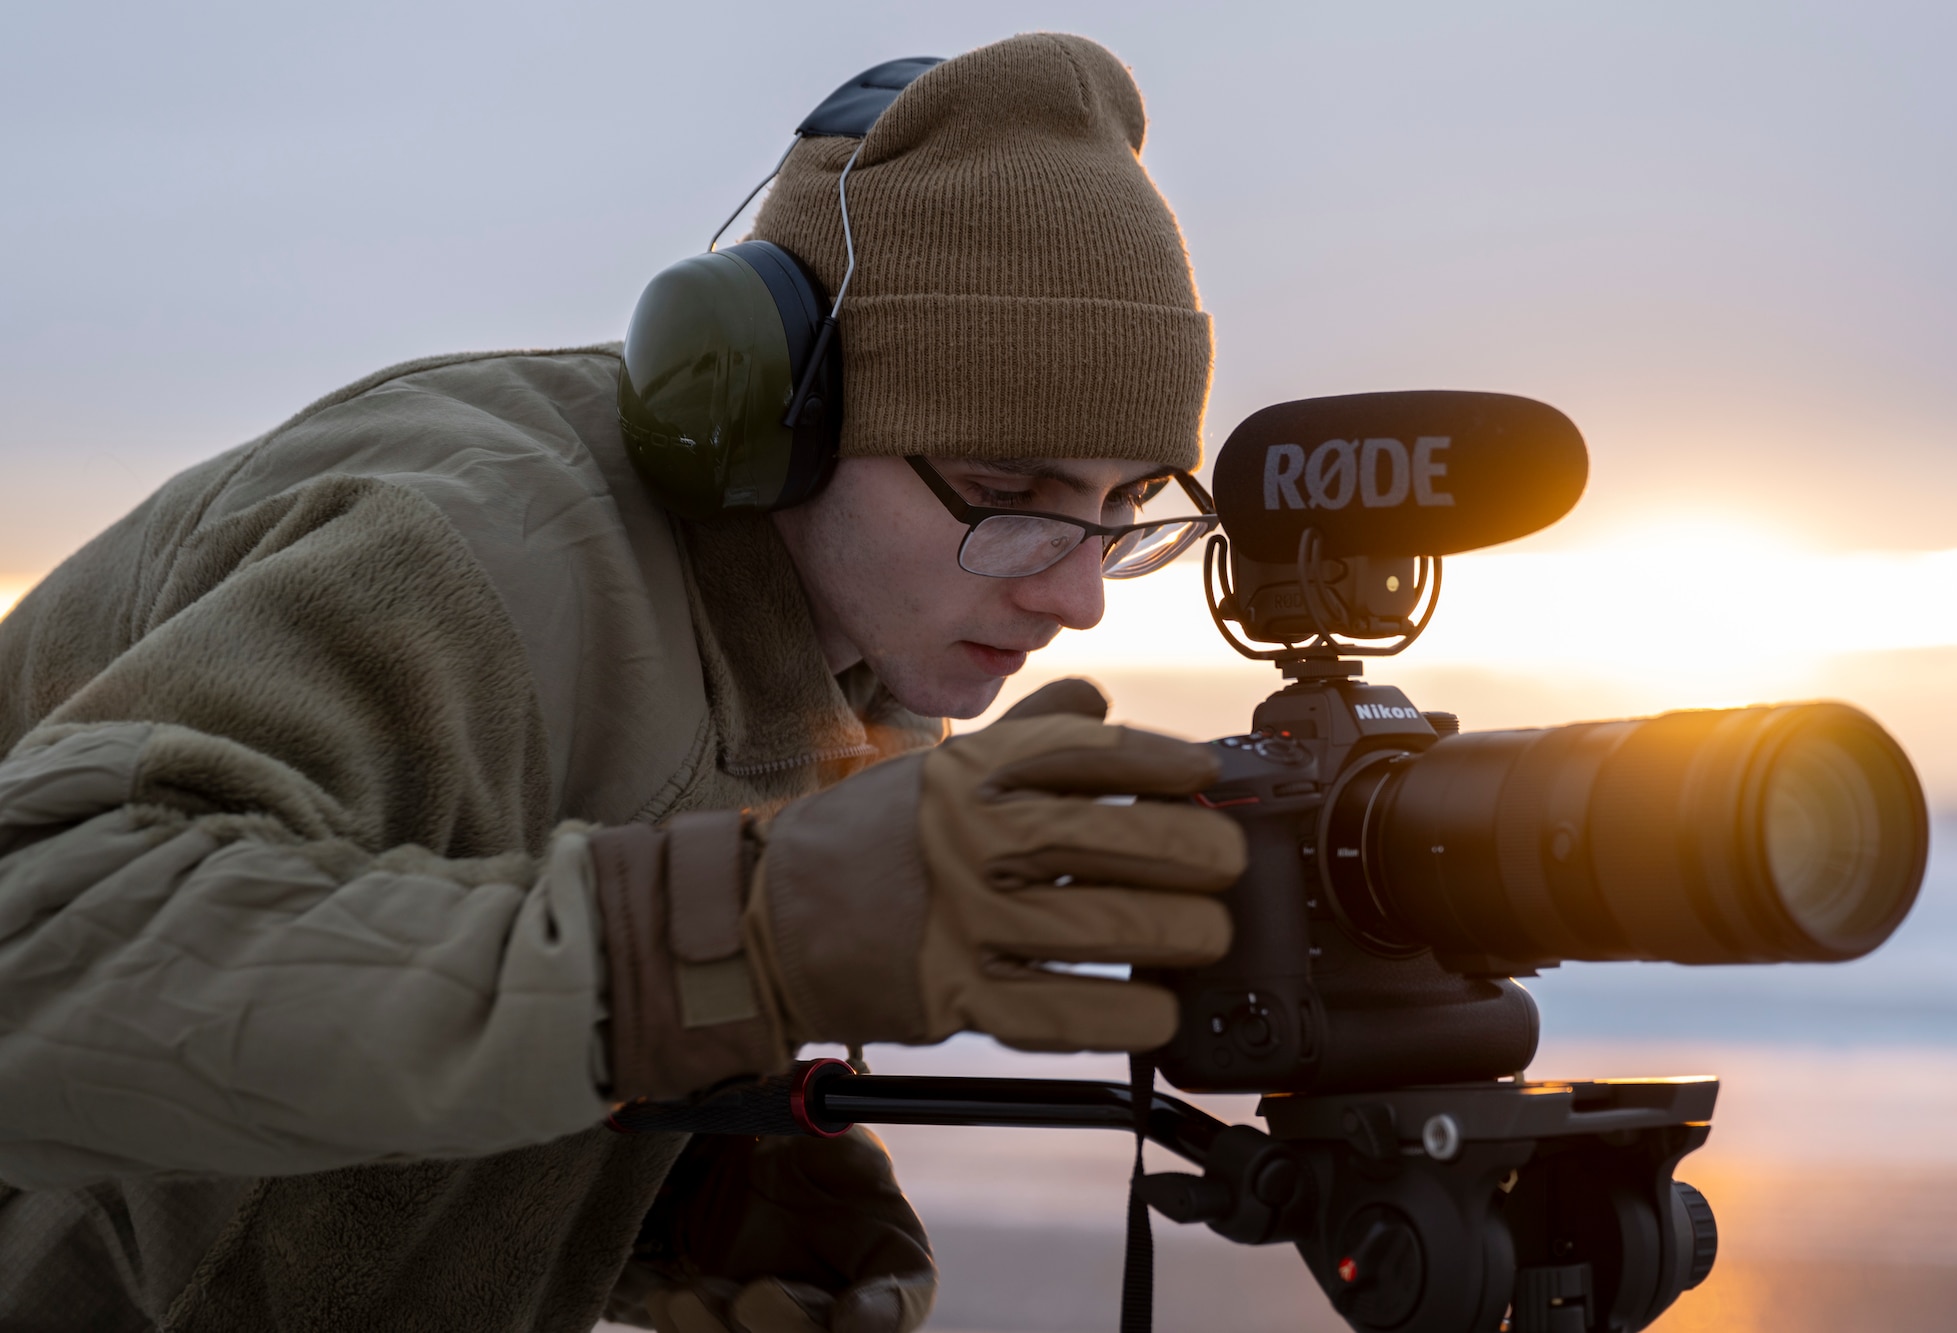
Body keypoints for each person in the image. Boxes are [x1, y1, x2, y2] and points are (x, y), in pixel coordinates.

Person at [0, 32, 1246, 1333]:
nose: (1076, 592)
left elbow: (422, 967)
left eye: (1124, 507)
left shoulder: (878, 665)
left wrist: (683, 1178)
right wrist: (711, 947)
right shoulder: (467, 554)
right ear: (783, 412)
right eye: (1005, 494)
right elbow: (34, 953)